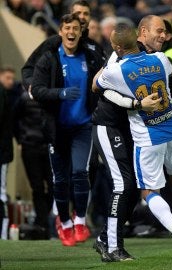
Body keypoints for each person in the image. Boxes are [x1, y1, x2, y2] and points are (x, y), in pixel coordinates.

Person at [95, 22, 172, 261]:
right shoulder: (163, 60)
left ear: (117, 47)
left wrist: (135, 104)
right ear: (140, 35)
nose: (163, 37)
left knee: (146, 191)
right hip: (171, 128)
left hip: (148, 134)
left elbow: (97, 85)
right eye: (159, 32)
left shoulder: (118, 68)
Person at [31, 13, 104, 246]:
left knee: (80, 173)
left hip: (83, 126)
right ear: (60, 32)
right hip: (57, 129)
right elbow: (37, 90)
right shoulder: (49, 58)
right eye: (67, 28)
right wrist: (60, 93)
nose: (71, 32)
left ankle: (80, 220)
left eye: (75, 28)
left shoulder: (90, 57)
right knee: (60, 180)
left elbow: (103, 81)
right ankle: (65, 224)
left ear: (80, 32)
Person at [22, 0, 105, 93]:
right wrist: (32, 86)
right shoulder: (54, 42)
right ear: (70, 15)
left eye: (86, 14)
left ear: (90, 17)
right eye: (78, 13)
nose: (82, 17)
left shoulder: (96, 48)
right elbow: (29, 69)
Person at [14, 87, 54, 239]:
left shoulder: (49, 97)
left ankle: (42, 220)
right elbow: (13, 120)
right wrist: (20, 140)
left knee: (52, 185)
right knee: (37, 187)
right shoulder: (24, 99)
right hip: (30, 146)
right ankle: (42, 223)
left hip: (48, 146)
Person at [0, 66, 16, 239]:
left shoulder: (5, 95)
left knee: (2, 192)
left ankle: (4, 234)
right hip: (4, 151)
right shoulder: (7, 95)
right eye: (7, 78)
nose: (10, 82)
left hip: (2, 152)